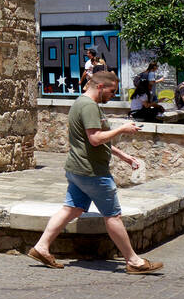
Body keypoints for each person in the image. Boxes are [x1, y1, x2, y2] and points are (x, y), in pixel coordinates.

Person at [29, 70, 162, 274]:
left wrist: (123, 157)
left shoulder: (80, 103)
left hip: (77, 169)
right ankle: (134, 261)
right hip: (93, 173)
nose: (113, 95)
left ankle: (41, 247)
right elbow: (95, 138)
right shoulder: (90, 106)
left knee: (71, 209)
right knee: (113, 216)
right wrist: (122, 129)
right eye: (111, 91)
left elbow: (93, 140)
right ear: (100, 87)